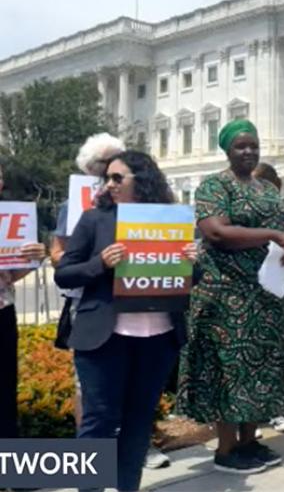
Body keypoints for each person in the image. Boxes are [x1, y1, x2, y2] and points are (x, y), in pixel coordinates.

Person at [53, 151, 197, 491]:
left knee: (138, 423)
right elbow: (65, 275)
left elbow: (188, 280)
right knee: (98, 422)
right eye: (108, 178)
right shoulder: (94, 219)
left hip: (158, 338)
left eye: (119, 178)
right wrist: (100, 263)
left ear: (142, 180)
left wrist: (193, 262)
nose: (110, 184)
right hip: (104, 338)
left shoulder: (171, 221)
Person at [177, 120, 284, 474]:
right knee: (227, 369)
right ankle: (226, 448)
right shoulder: (214, 186)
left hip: (264, 294)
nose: (248, 151)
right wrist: (275, 234)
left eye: (253, 145)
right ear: (228, 151)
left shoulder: (267, 189)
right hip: (224, 294)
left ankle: (249, 440)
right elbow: (216, 232)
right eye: (240, 146)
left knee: (258, 368)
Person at [50, 132, 126, 429]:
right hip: (88, 299)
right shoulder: (74, 204)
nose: (108, 169)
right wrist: (89, 261)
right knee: (89, 384)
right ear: (88, 168)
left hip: (131, 298)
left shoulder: (136, 202)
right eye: (102, 163)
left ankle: (133, 443)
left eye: (114, 161)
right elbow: (57, 254)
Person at [250, 162, 284, 435]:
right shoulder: (239, 214)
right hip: (249, 290)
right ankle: (250, 415)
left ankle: (273, 410)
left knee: (274, 349)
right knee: (252, 350)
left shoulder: (280, 215)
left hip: (276, 288)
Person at [0, 164, 48, 441]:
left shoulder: (10, 218)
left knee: (5, 393)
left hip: (3, 312)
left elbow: (10, 275)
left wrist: (33, 259)